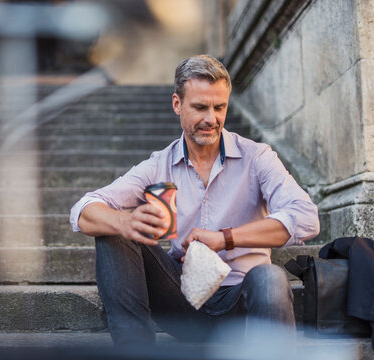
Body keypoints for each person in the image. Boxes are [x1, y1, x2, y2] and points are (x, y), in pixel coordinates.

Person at [69, 55, 320, 347]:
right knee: (112, 232)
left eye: (220, 107)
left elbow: (305, 217)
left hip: (243, 305)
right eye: (200, 107)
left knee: (270, 278)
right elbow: (83, 210)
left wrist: (223, 238)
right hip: (183, 302)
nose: (211, 119)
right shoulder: (159, 166)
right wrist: (124, 221)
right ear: (177, 104)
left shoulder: (257, 157)